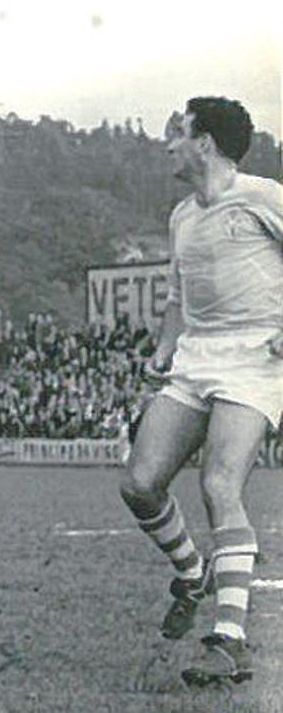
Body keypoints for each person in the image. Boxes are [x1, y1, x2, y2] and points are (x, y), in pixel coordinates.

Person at [117, 97, 283, 687]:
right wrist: (164, 350)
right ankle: (192, 574)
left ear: (205, 143)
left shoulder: (265, 197)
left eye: (178, 134)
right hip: (196, 359)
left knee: (219, 483)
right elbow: (178, 300)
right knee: (138, 482)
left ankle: (228, 642)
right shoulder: (182, 215)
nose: (168, 145)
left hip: (256, 359)